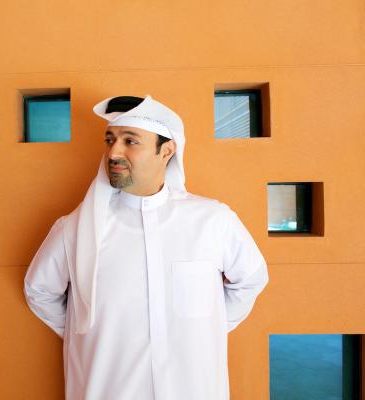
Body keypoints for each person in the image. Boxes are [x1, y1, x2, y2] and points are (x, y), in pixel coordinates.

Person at [23, 94, 269, 400]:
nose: (114, 151)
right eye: (110, 139)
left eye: (130, 141)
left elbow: (252, 278)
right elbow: (39, 290)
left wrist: (209, 328)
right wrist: (88, 335)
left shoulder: (212, 220)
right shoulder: (76, 229)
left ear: (166, 150)